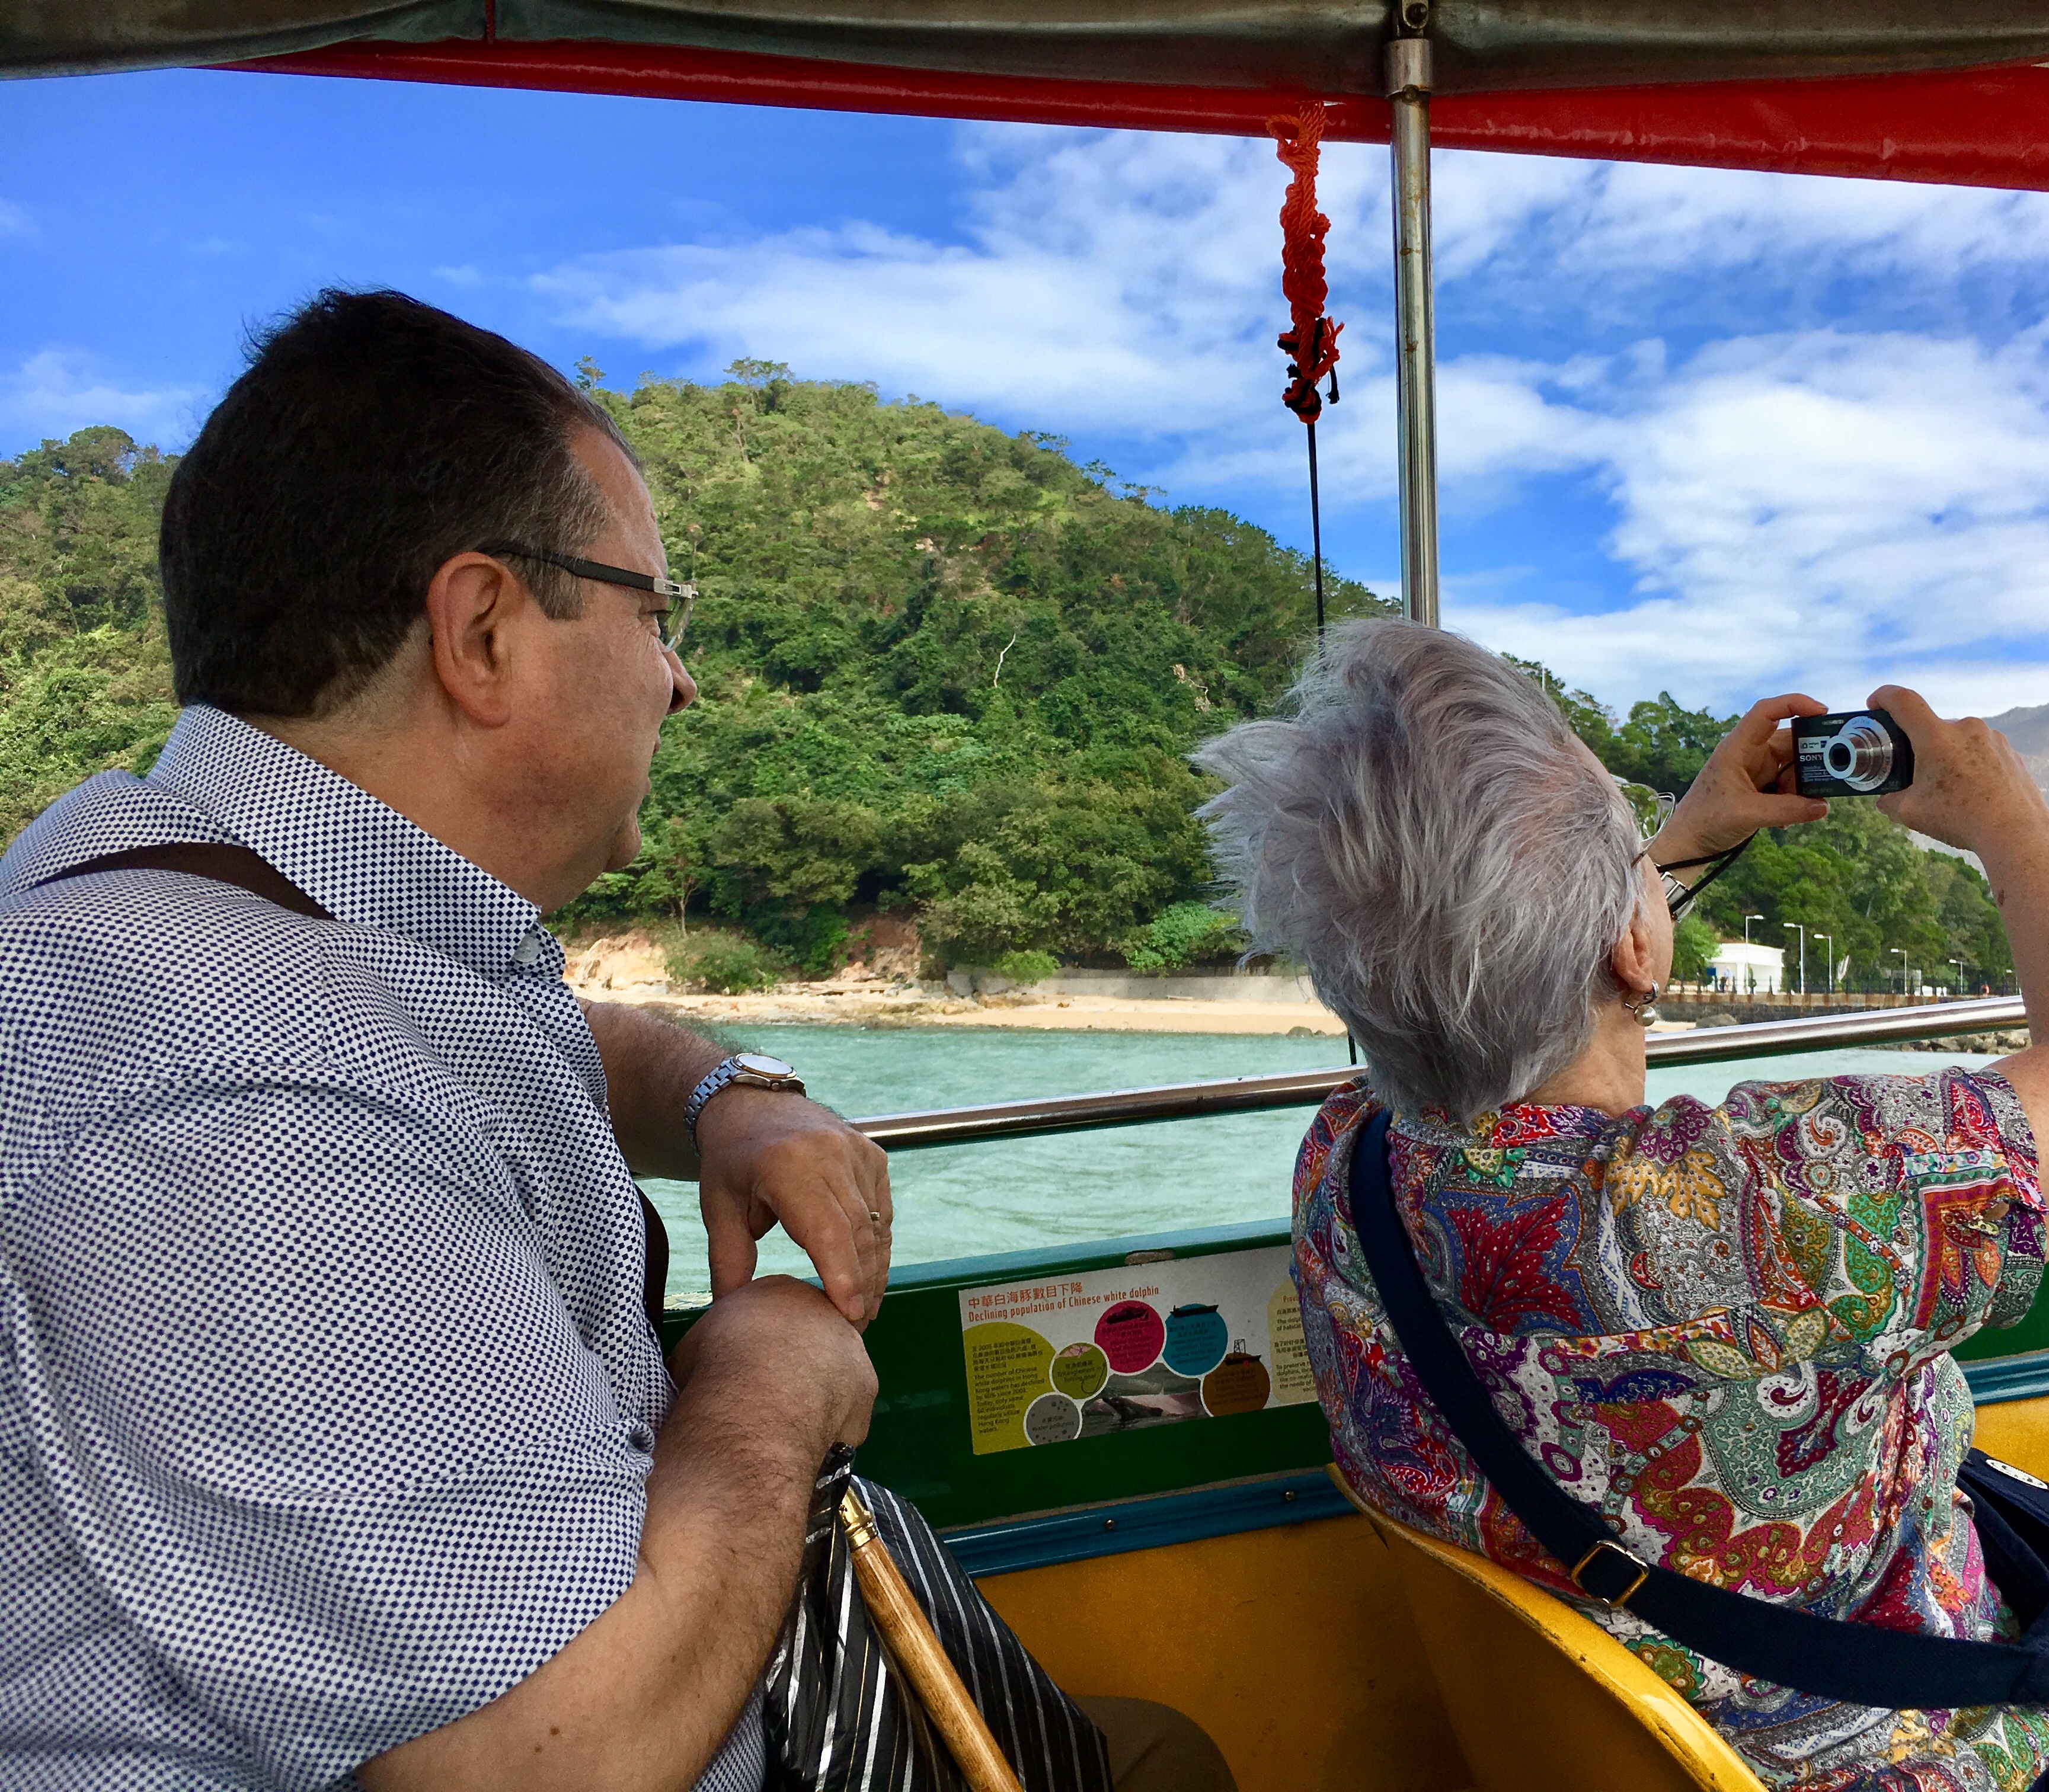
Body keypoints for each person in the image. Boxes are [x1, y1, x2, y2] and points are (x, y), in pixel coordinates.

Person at [0, 290, 1228, 1792]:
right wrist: (768, 1379)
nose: (684, 678)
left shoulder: (249, 905)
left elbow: (541, 1040)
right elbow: (554, 1761)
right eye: (658, 615)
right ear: (483, 631)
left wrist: (723, 1096)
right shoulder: (232, 1085)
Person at [1194, 620, 2049, 1792]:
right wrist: (2003, 812)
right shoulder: (1767, 1206)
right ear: (1633, 944)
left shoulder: (1349, 1167)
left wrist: (1681, 842)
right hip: (1922, 1757)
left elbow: (1477, 983)